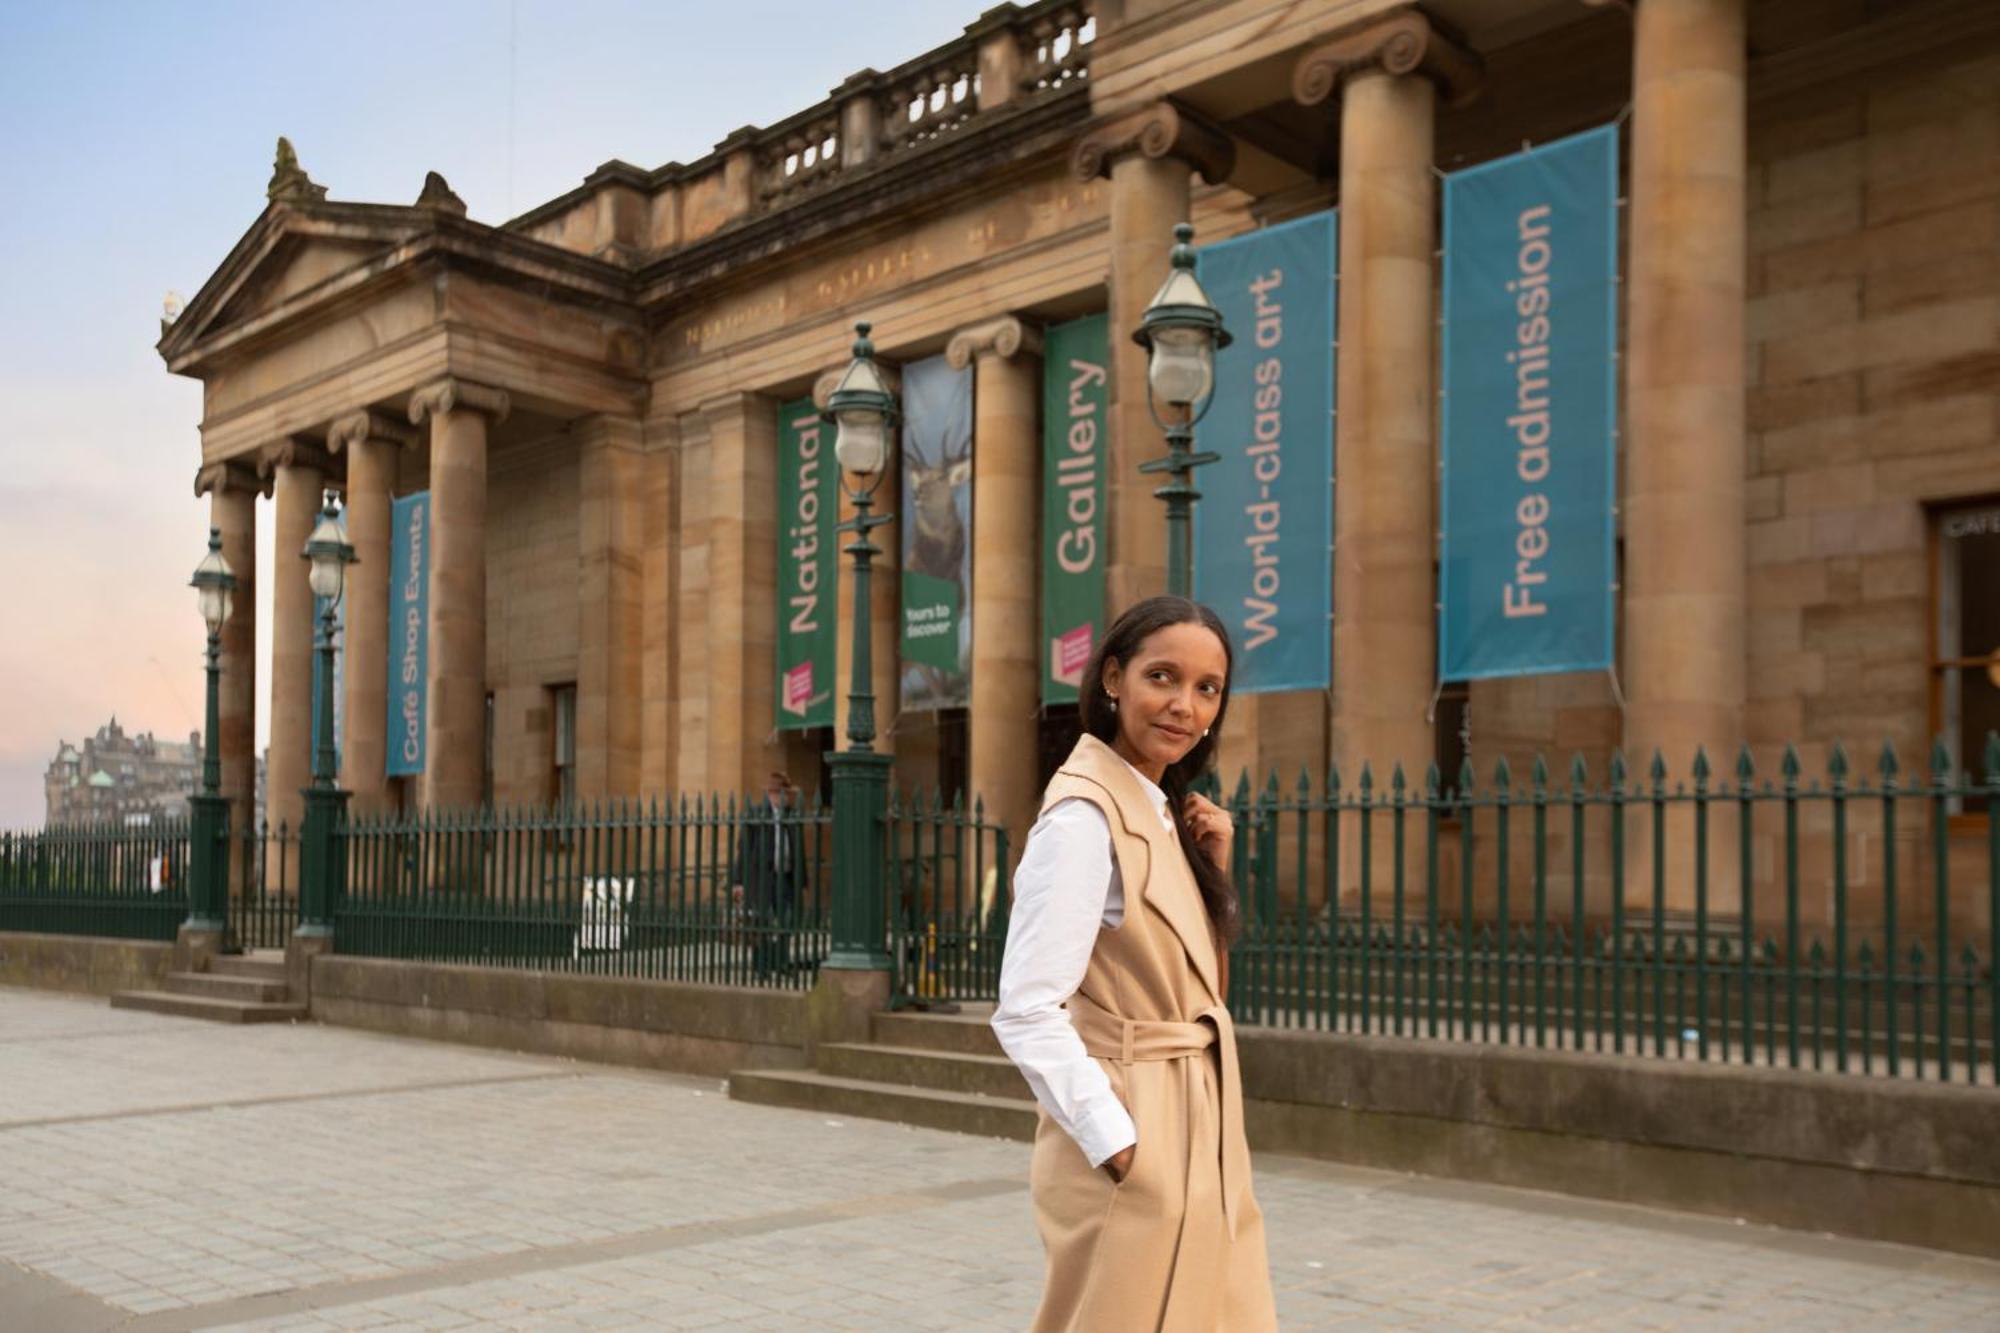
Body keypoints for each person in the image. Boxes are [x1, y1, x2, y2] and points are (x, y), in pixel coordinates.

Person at [991, 596, 1277, 1332]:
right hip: (1138, 1124)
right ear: (1113, 678)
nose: (1185, 705)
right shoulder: (1085, 818)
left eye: (1207, 687)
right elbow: (1025, 1006)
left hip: (1200, 1119)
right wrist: (1118, 1145)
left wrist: (1213, 864)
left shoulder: (1159, 809)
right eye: (1163, 676)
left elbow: (1202, 998)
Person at [728, 770, 808, 981]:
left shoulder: (791, 815)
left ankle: (781, 963)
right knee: (761, 923)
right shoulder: (756, 813)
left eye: (787, 793)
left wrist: (802, 880)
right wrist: (738, 881)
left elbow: (799, 849)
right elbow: (743, 849)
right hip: (764, 877)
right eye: (783, 793)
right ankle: (761, 967)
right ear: (773, 794)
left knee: (786, 922)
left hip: (787, 876)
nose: (786, 797)